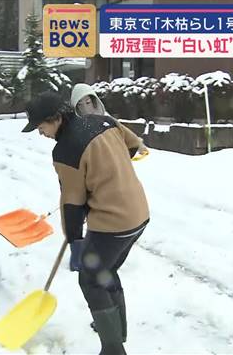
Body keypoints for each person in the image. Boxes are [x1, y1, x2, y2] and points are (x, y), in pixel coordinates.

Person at [22, 92, 150, 355]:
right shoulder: (104, 121)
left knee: (90, 279)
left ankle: (113, 348)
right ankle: (116, 330)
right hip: (139, 213)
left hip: (113, 222)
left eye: (41, 126)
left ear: (55, 119)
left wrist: (75, 241)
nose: (40, 133)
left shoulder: (65, 150)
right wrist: (109, 169)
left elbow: (72, 203)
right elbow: (134, 145)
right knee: (107, 269)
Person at [70, 83, 149, 155]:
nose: (85, 108)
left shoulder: (106, 120)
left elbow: (125, 133)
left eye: (88, 102)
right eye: (80, 104)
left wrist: (139, 145)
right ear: (75, 106)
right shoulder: (73, 127)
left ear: (94, 102)